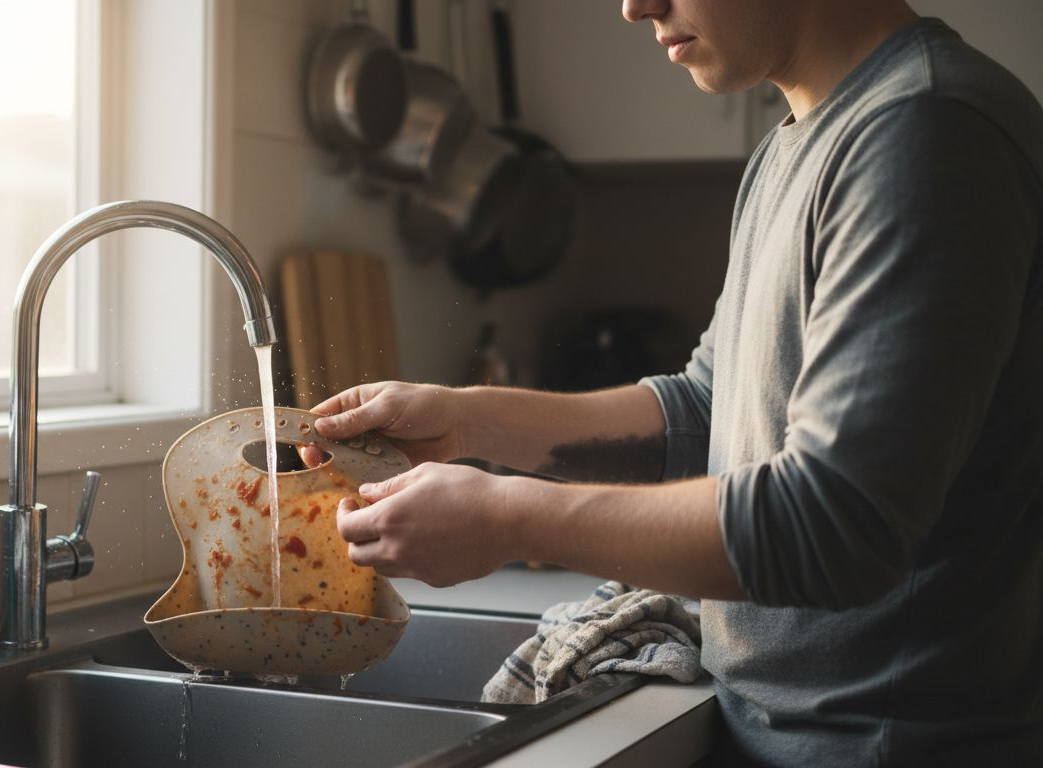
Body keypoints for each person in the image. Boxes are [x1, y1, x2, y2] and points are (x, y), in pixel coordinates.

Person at [306, 0, 1043, 763]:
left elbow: (835, 522)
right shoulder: (800, 142)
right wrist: (468, 423)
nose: (635, 6)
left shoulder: (927, 131)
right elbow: (705, 410)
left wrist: (508, 517)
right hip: (772, 732)